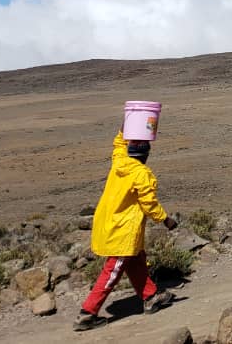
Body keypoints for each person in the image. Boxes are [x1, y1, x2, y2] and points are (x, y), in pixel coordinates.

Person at [73, 131, 178, 331]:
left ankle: (151, 297)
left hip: (110, 225)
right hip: (123, 231)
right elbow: (149, 203)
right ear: (146, 155)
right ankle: (87, 314)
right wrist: (165, 219)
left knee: (137, 260)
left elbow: (118, 145)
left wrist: (126, 128)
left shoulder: (119, 162)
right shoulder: (141, 173)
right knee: (112, 271)